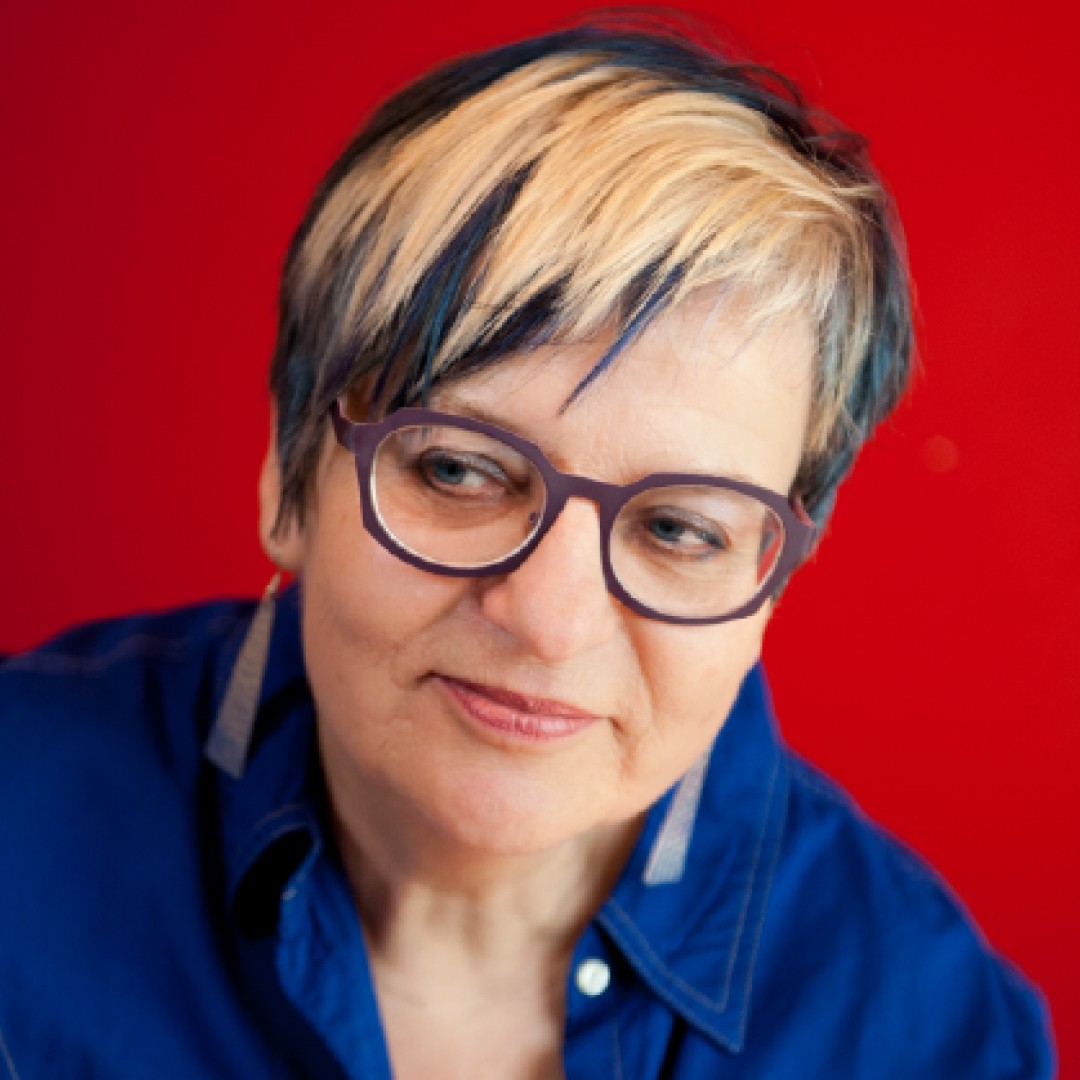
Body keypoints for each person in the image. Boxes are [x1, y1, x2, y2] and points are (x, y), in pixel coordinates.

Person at [0, 15, 1055, 1079]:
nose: (548, 622)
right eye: (459, 470)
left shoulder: (929, 1034)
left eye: (680, 529)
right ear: (288, 470)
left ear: (770, 585)